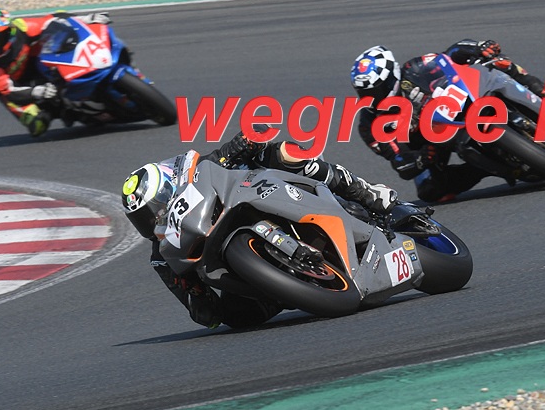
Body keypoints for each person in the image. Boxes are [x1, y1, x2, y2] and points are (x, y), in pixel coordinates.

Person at [120, 128, 398, 329]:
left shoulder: (200, 170)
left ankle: (366, 193)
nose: (153, 219)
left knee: (283, 153)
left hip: (261, 196)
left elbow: (249, 139)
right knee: (234, 318)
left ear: (169, 185)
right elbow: (207, 317)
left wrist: (246, 141)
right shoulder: (163, 256)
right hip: (257, 286)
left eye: (154, 209)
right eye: (143, 219)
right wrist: (192, 291)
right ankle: (292, 286)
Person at [350, 40, 545, 202]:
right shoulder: (370, 125)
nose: (371, 97)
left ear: (392, 77)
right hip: (431, 143)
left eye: (375, 90)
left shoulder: (416, 67)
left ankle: (538, 88)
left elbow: (450, 55)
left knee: (494, 61)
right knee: (430, 191)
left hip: (457, 103)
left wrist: (478, 47)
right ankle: (490, 167)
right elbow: (399, 160)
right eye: (364, 92)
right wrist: (421, 158)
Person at [0, 8, 110, 137]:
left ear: (10, 31)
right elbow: (9, 91)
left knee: (61, 44)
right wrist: (38, 92)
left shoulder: (22, 27)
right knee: (38, 125)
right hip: (19, 87)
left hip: (38, 61)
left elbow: (51, 20)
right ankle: (70, 113)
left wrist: (86, 19)